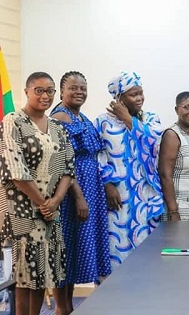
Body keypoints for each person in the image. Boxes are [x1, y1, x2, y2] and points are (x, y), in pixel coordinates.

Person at [0, 72, 74, 315]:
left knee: (42, 274)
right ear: (27, 92)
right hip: (21, 211)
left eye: (50, 91)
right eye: (39, 90)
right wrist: (44, 204)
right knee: (24, 279)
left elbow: (67, 168)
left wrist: (55, 202)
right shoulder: (13, 121)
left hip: (50, 212)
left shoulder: (57, 128)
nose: (45, 96)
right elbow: (15, 169)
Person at [50, 71, 111, 315]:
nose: (79, 92)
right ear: (62, 91)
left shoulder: (81, 116)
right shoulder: (60, 117)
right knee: (64, 248)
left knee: (74, 248)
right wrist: (78, 196)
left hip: (89, 186)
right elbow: (64, 161)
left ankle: (66, 307)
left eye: (83, 88)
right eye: (73, 88)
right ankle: (61, 309)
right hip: (71, 190)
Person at [95, 71, 163, 268]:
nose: (140, 98)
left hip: (145, 195)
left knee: (146, 247)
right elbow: (97, 155)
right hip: (118, 196)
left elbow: (153, 140)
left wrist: (127, 118)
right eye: (134, 94)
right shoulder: (102, 122)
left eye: (141, 93)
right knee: (117, 245)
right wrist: (107, 184)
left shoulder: (150, 118)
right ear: (119, 98)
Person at [159, 91, 189, 221]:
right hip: (180, 208)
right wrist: (173, 211)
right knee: (181, 242)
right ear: (177, 109)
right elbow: (165, 175)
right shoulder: (172, 135)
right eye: (187, 107)